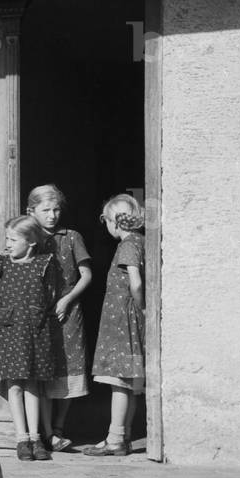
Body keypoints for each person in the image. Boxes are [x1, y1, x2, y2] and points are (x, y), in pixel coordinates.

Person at [0, 215, 59, 461]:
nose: (8, 244)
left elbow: (51, 295)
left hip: (34, 331)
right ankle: (21, 438)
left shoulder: (44, 264)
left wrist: (35, 316)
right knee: (14, 383)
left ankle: (36, 438)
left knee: (32, 383)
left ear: (31, 242)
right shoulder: (0, 264)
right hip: (8, 330)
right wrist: (0, 318)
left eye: (14, 239)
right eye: (7, 238)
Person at [27, 184, 92, 452]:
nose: (53, 216)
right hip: (39, 315)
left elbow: (86, 274)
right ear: (31, 211)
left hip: (68, 312)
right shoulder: (28, 238)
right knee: (44, 370)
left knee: (69, 366)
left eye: (56, 210)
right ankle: (44, 433)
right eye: (46, 210)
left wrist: (67, 299)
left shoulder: (71, 236)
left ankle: (59, 427)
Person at [82, 193, 146, 456]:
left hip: (122, 319)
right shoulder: (140, 241)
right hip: (125, 317)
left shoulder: (127, 245)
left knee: (118, 380)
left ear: (114, 222)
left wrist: (140, 306)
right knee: (127, 381)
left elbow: (136, 281)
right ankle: (123, 436)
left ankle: (115, 438)